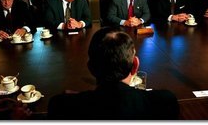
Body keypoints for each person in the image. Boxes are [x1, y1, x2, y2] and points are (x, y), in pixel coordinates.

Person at [48, 27, 180, 119]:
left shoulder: (61, 106)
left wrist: (79, 98)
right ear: (135, 65)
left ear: (90, 68)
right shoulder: (165, 102)